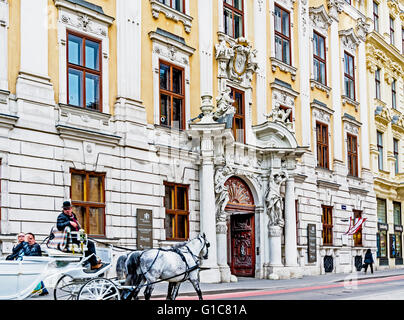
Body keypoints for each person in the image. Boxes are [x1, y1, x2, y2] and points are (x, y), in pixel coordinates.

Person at [57, 200, 103, 270]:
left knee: (88, 245)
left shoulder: (73, 215)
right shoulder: (61, 216)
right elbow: (59, 226)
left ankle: (92, 261)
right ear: (63, 209)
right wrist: (69, 222)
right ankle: (94, 264)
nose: (67, 211)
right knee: (90, 244)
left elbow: (77, 226)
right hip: (71, 239)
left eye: (68, 209)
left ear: (71, 208)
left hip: (77, 236)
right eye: (65, 209)